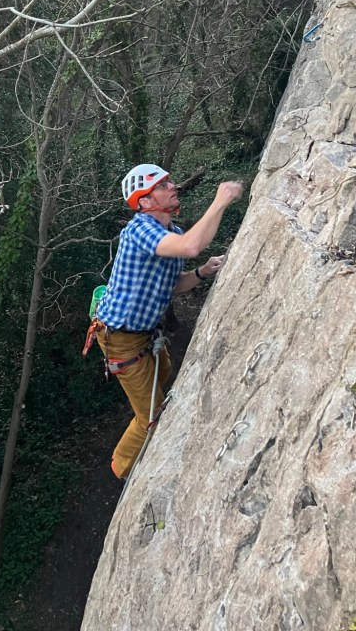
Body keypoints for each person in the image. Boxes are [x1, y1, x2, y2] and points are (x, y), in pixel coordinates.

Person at [90, 164, 244, 480]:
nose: (172, 186)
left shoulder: (171, 232)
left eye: (169, 182)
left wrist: (201, 272)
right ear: (144, 201)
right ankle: (122, 469)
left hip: (141, 333)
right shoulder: (140, 230)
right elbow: (191, 246)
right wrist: (220, 201)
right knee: (151, 416)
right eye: (162, 185)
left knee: (165, 371)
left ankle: (146, 402)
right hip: (120, 339)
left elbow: (173, 284)